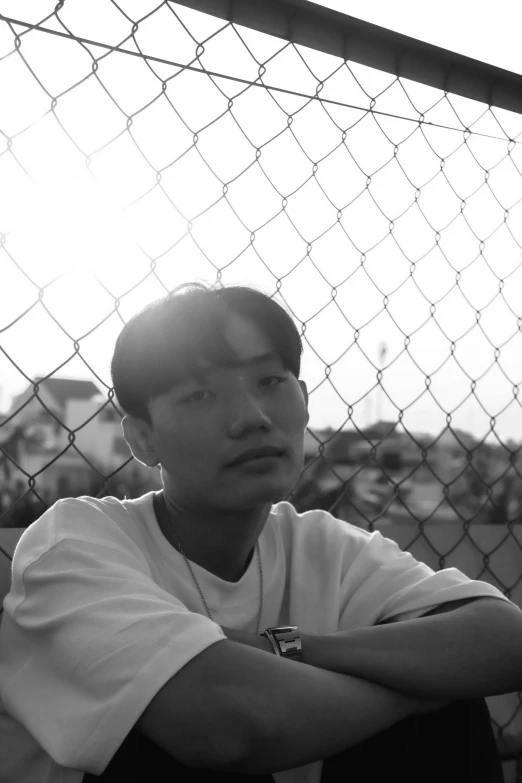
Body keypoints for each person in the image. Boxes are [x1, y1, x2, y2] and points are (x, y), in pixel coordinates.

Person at [0, 281, 518, 783]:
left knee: (448, 712)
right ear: (141, 437)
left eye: (271, 382)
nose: (252, 418)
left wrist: (282, 648)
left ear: (305, 400)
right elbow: (228, 724)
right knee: (164, 732)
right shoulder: (75, 541)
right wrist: (421, 686)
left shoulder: (320, 544)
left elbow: (504, 637)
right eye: (200, 395)